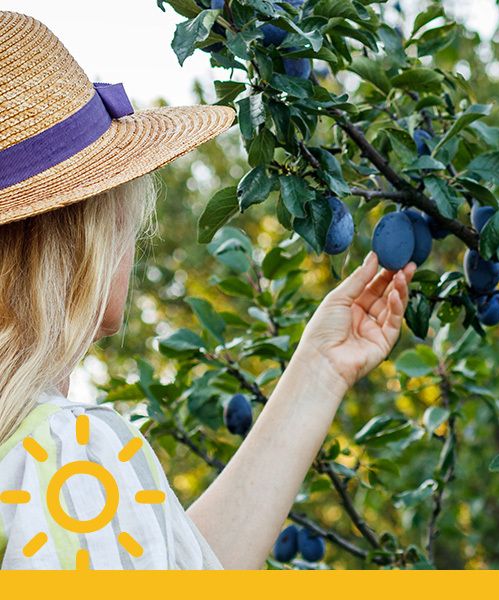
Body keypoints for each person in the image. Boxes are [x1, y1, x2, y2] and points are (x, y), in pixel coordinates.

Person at [0, 12, 415, 570]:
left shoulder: (35, 464)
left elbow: (185, 570)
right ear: (86, 237)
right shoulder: (63, 456)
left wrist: (320, 370)